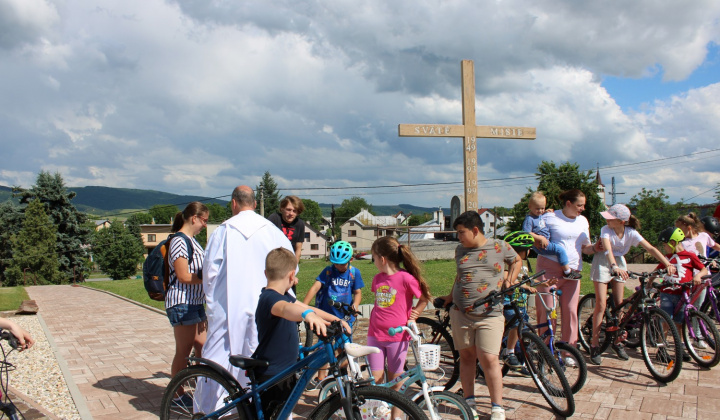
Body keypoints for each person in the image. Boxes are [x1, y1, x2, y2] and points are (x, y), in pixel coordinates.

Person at [200, 186, 294, 412]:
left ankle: (210, 410)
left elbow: (209, 272)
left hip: (227, 307)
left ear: (234, 204)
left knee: (219, 359)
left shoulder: (223, 231)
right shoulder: (272, 231)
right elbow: (292, 266)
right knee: (260, 353)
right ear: (254, 203)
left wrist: (211, 303)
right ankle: (262, 409)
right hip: (267, 305)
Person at [437, 211, 522, 420]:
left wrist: (510, 280)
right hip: (461, 313)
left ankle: (497, 407)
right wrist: (450, 296)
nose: (459, 237)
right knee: (466, 357)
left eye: (461, 232)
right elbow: (461, 276)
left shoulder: (499, 246)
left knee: (490, 359)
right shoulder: (460, 250)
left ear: (475, 230)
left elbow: (517, 260)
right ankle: (469, 401)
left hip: (489, 314)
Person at [253, 248, 349, 419]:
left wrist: (337, 320)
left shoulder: (283, 295)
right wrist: (307, 316)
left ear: (265, 273)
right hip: (273, 374)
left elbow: (306, 307)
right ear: (292, 275)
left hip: (285, 369)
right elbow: (286, 309)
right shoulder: (270, 298)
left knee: (284, 413)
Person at [588, 204, 675, 366]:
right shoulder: (605, 230)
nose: (606, 219)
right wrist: (614, 267)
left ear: (621, 221)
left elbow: (650, 248)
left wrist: (667, 263)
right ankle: (594, 344)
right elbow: (607, 250)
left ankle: (617, 341)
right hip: (604, 262)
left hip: (619, 262)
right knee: (601, 303)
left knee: (620, 305)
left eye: (610, 217)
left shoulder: (631, 233)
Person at [367, 236, 430, 406]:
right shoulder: (377, 279)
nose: (373, 262)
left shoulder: (406, 278)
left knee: (396, 384)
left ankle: (396, 416)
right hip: (374, 335)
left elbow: (424, 298)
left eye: (373, 258)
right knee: (376, 382)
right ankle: (379, 414)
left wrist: (416, 313)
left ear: (382, 258)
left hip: (398, 337)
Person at [534, 189, 598, 350]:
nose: (582, 208)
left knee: (570, 311)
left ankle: (569, 350)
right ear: (568, 203)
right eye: (579, 205)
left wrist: (596, 248)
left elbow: (585, 248)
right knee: (548, 310)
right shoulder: (549, 217)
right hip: (549, 270)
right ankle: (546, 348)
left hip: (573, 272)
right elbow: (532, 233)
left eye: (583, 205)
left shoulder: (583, 221)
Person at [302, 240, 364, 385]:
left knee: (345, 348)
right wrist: (303, 306)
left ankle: (342, 377)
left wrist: (355, 305)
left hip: (345, 317)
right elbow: (315, 288)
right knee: (324, 349)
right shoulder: (328, 271)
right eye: (336, 263)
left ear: (351, 260)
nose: (338, 266)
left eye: (342, 264)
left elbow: (357, 292)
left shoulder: (354, 273)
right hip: (326, 318)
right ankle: (320, 379)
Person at [501, 231, 557, 376]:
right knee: (516, 325)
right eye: (527, 249)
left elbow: (529, 280)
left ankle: (521, 360)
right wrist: (524, 287)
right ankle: (509, 351)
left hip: (521, 305)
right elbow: (510, 280)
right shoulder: (507, 265)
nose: (530, 251)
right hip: (508, 304)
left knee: (523, 331)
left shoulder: (523, 265)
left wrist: (545, 282)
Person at [166, 202, 209, 389]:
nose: (205, 225)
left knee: (203, 348)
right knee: (183, 352)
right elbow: (183, 275)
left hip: (195, 302)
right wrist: (208, 278)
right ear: (194, 218)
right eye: (204, 220)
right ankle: (176, 394)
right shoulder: (179, 241)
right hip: (183, 303)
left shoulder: (192, 240)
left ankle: (203, 387)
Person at [655, 227, 708, 359]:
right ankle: (661, 350)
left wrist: (698, 276)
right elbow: (656, 272)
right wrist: (651, 282)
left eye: (664, 245)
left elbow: (704, 270)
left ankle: (680, 349)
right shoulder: (666, 258)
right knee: (665, 322)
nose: (663, 248)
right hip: (667, 293)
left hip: (682, 294)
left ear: (672, 243)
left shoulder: (690, 256)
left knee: (680, 323)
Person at [522, 191, 582, 280]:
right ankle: (567, 272)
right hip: (541, 245)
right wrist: (539, 238)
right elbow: (526, 233)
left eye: (542, 208)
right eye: (537, 208)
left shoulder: (538, 215)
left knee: (559, 248)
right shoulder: (529, 219)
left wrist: (546, 212)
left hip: (546, 241)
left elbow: (541, 218)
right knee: (560, 250)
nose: (540, 211)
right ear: (530, 206)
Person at [268, 195, 306, 263]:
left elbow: (298, 248)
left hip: (289, 260)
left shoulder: (300, 224)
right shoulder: (274, 219)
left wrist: (295, 266)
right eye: (288, 210)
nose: (291, 213)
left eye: (294, 211)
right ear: (282, 208)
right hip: (273, 259)